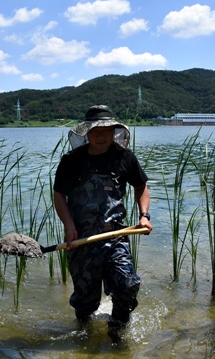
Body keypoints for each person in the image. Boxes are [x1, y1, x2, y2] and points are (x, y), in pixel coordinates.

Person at [53, 104, 152, 340]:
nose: (100, 136)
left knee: (127, 285)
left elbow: (141, 187)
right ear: (86, 132)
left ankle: (117, 331)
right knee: (85, 302)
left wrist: (144, 215)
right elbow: (59, 196)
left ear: (114, 132)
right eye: (95, 131)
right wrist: (69, 227)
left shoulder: (124, 157)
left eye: (106, 130)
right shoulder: (71, 160)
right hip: (81, 239)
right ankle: (83, 335)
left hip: (116, 235)